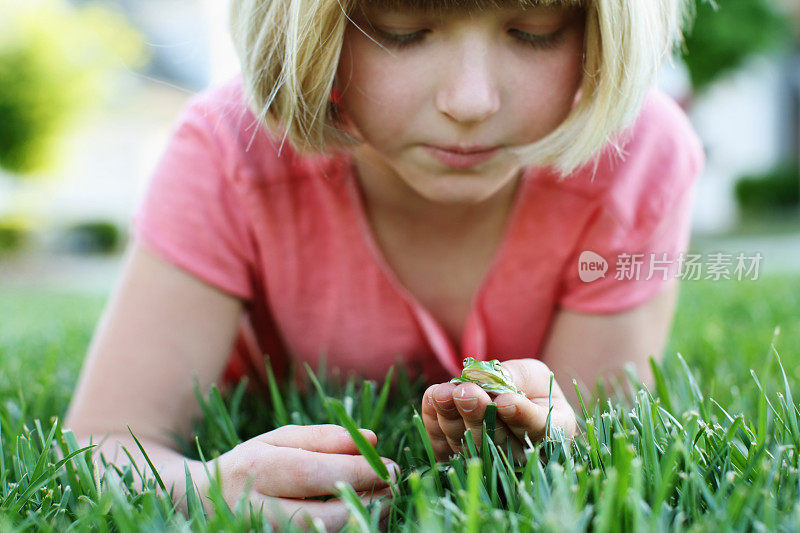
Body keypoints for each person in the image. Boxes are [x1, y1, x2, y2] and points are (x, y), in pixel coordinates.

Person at [64, 0, 704, 529]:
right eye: (403, 30)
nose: (470, 101)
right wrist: (205, 490)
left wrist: (555, 439)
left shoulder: (638, 157)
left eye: (534, 32)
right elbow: (105, 445)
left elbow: (596, 440)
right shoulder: (228, 152)